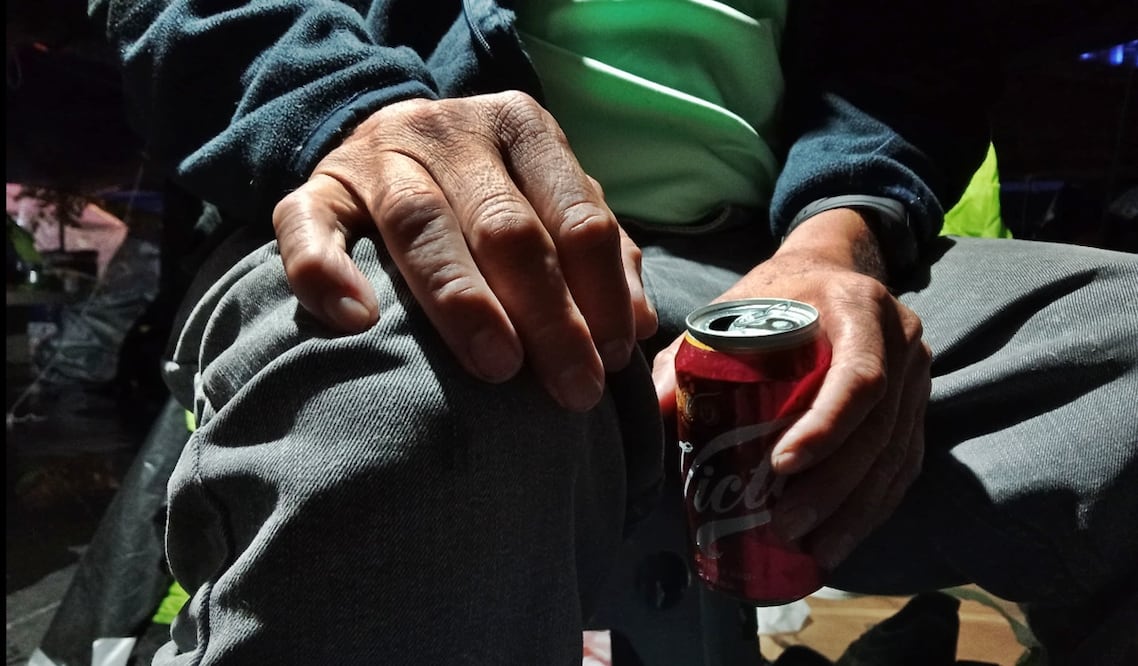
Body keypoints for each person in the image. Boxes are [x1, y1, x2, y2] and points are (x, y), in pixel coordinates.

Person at [88, 0, 1137, 664]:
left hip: (770, 255)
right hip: (413, 193)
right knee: (403, 406)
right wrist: (347, 111)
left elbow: (909, 57)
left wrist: (842, 235)